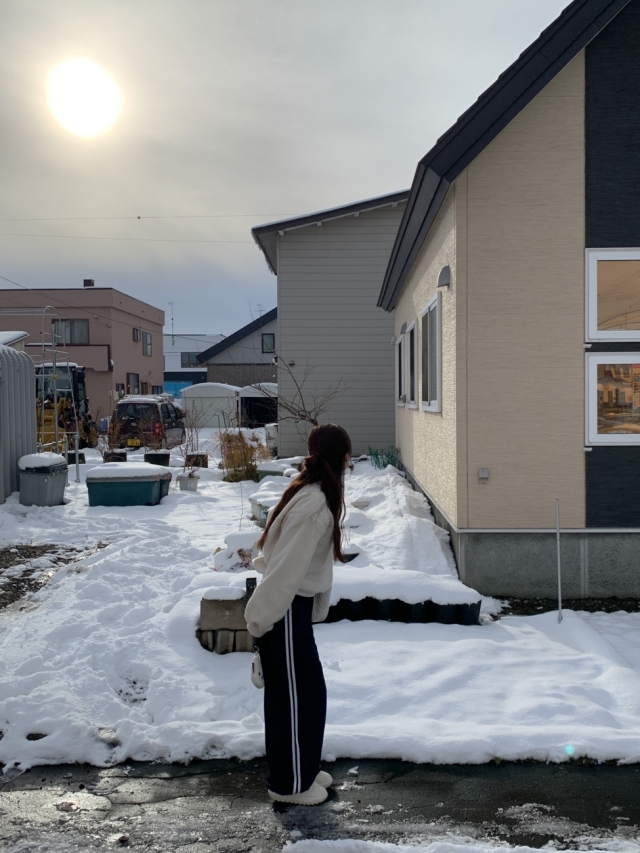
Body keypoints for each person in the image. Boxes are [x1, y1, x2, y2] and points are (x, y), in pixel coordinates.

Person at [245, 423, 353, 805]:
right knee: (294, 698)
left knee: (304, 694)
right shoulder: (314, 504)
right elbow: (286, 570)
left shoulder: (314, 493)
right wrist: (261, 620)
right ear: (342, 458)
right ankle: (289, 784)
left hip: (292, 608)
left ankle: (302, 767)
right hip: (284, 608)